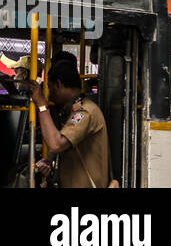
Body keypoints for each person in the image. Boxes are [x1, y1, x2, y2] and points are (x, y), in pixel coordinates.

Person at [20, 58, 110, 189]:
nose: (49, 94)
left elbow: (56, 144)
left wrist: (42, 104)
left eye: (49, 88)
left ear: (58, 84)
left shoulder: (86, 112)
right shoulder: (73, 110)